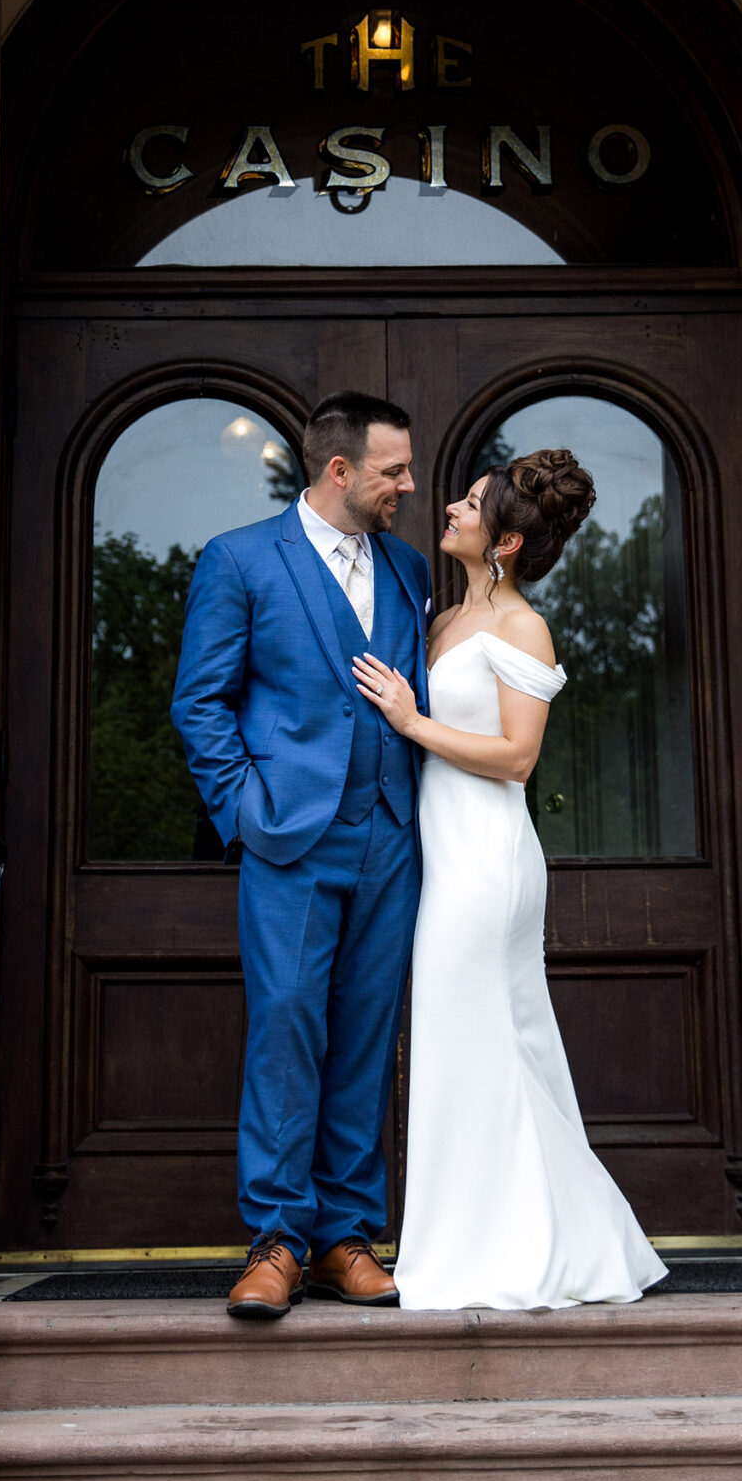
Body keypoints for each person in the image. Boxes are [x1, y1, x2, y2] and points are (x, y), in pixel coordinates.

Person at [354, 448, 669, 1311]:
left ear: (506, 544)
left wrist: (413, 723)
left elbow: (518, 759)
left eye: (472, 502)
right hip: (443, 853)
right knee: (468, 1048)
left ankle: (511, 1249)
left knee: (482, 1040)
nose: (450, 506)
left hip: (487, 861)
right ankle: (487, 1237)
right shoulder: (443, 619)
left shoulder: (521, 627)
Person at [169, 391, 430, 1320]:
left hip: (392, 837)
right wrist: (244, 809)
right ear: (339, 471)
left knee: (364, 1032)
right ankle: (277, 1236)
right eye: (394, 470)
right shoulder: (241, 559)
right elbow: (199, 702)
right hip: (289, 837)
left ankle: (345, 1237)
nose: (408, 484)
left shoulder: (408, 570)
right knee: (286, 1027)